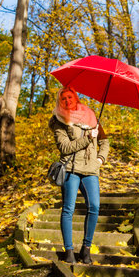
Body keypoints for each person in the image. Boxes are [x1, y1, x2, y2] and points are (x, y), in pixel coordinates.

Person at [48, 87, 109, 264]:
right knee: (68, 209)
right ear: (60, 101)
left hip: (90, 169)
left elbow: (104, 142)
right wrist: (88, 137)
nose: (67, 100)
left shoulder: (91, 117)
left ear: (76, 97)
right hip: (71, 169)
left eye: (70, 96)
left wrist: (100, 159)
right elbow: (65, 148)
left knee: (95, 207)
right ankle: (69, 251)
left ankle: (86, 249)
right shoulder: (59, 120)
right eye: (63, 98)